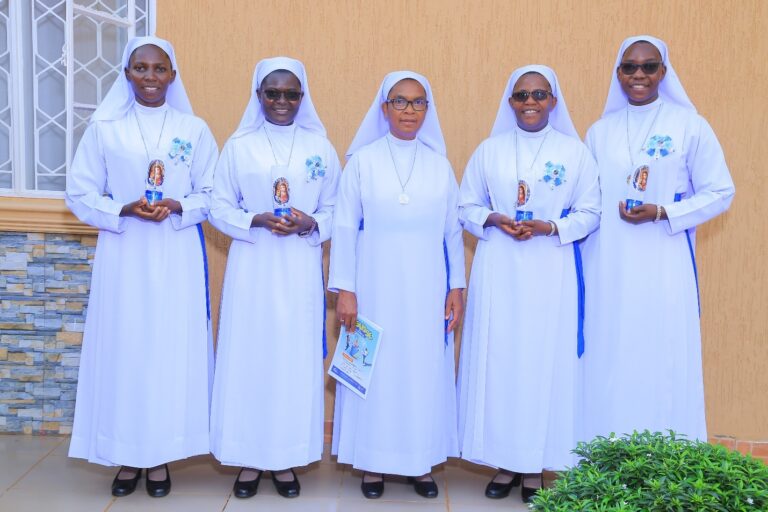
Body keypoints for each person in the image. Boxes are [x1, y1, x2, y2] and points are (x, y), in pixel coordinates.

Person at [65, 36, 218, 498]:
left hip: (175, 256)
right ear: (127, 74)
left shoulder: (194, 130)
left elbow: (212, 195)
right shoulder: (105, 129)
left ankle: (161, 458)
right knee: (125, 350)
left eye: (159, 69)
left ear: (173, 75)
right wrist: (123, 210)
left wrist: (177, 204)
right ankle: (126, 455)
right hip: (125, 253)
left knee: (169, 353)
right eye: (141, 68)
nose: (150, 78)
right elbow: (79, 193)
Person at [456, 65, 600, 503]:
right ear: (511, 101)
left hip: (549, 272)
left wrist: (550, 226)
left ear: (554, 101)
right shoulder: (490, 150)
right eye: (522, 95)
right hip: (499, 269)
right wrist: (495, 218)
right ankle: (505, 461)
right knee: (502, 365)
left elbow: (591, 212)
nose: (531, 102)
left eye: (540, 94)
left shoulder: (575, 153)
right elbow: (465, 206)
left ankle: (536, 467)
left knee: (543, 366)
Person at [581, 35, 735, 444]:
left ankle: (664, 465)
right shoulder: (600, 132)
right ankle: (606, 463)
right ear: (618, 74)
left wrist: (664, 211)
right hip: (609, 263)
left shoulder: (689, 126)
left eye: (649, 66)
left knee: (661, 355)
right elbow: (585, 200)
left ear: (663, 73)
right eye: (630, 67)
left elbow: (721, 191)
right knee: (611, 357)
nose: (639, 75)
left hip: (664, 261)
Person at [329, 71, 465, 500]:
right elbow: (345, 227)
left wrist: (456, 288)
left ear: (428, 109)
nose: (410, 110)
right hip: (374, 283)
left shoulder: (439, 165)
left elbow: (453, 233)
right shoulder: (362, 162)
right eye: (400, 102)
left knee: (421, 370)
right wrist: (344, 290)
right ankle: (372, 463)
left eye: (418, 102)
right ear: (384, 108)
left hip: (426, 286)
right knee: (377, 370)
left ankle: (419, 462)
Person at [208, 57, 340, 499]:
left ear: (303, 98)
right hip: (252, 266)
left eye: (291, 94)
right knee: (250, 359)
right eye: (272, 93)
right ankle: (248, 459)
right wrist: (255, 219)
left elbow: (339, 208)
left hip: (299, 269)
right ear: (258, 95)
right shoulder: (239, 145)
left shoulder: (320, 146)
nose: (282, 101)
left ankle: (285, 461)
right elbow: (218, 206)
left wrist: (309, 223)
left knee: (292, 362)